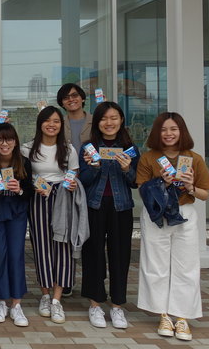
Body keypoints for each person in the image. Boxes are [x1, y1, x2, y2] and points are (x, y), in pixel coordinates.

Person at [136, 112, 209, 342]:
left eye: (173, 129)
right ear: (156, 133)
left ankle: (182, 316)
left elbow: (205, 194)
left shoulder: (194, 159)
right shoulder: (149, 158)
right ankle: (163, 315)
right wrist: (161, 182)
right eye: (163, 129)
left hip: (184, 213)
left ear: (182, 132)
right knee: (156, 264)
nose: (168, 134)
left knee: (186, 266)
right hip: (156, 215)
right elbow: (142, 189)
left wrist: (190, 187)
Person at [78, 101, 139, 330]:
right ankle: (95, 304)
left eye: (113, 118)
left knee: (120, 256)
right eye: (104, 118)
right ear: (97, 123)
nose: (109, 122)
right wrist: (93, 167)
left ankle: (117, 306)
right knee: (93, 254)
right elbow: (82, 181)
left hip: (121, 207)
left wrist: (126, 168)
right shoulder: (88, 148)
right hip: (94, 206)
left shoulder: (130, 148)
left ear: (121, 120)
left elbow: (135, 182)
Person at [21, 105, 84, 325]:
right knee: (41, 246)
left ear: (61, 125)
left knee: (63, 246)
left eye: (56, 121)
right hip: (38, 199)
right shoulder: (28, 148)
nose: (52, 125)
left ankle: (57, 299)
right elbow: (24, 174)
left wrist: (73, 184)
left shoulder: (68, 149)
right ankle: (45, 295)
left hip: (63, 197)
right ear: (40, 124)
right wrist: (34, 185)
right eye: (47, 121)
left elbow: (73, 173)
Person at [0, 123, 33, 327]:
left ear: (15, 142)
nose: (4, 144)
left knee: (15, 254)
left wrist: (19, 189)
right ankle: (1, 301)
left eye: (9, 139)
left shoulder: (23, 162)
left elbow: (30, 190)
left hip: (17, 212)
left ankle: (16, 303)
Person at [56, 83, 91, 298]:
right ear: (61, 103)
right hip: (66, 181)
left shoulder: (96, 121)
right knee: (68, 229)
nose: (71, 100)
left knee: (87, 230)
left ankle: (91, 280)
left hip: (91, 180)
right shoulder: (59, 123)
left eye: (75, 95)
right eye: (66, 97)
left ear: (83, 98)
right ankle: (67, 279)